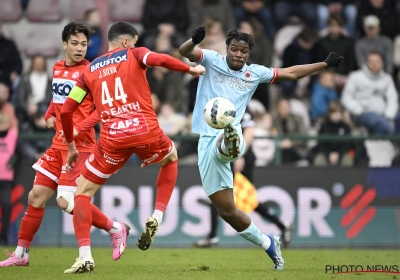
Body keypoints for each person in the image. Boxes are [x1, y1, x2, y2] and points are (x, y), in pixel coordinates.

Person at [179, 26, 342, 270]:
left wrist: (324, 65)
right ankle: (268, 243)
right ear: (227, 49)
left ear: (248, 54)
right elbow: (184, 52)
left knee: (229, 135)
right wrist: (193, 40)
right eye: (234, 49)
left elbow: (292, 73)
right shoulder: (212, 60)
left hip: (233, 136)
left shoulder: (254, 73)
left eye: (243, 51)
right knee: (228, 212)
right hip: (206, 140)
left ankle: (230, 137)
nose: (238, 54)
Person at [60, 21, 204, 273]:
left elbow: (68, 110)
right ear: (126, 42)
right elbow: (159, 59)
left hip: (111, 139)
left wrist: (71, 145)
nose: (136, 45)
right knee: (170, 159)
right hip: (144, 131)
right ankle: (157, 215)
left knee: (81, 195)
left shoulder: (89, 70)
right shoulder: (134, 54)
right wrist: (189, 69)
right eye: (135, 41)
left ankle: (85, 256)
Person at [0, 22, 129, 267]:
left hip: (80, 148)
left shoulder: (92, 72)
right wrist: (49, 113)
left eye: (84, 44)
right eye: (75, 43)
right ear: (64, 44)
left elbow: (101, 109)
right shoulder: (58, 67)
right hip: (58, 145)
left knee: (67, 202)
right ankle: (21, 254)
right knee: (36, 197)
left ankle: (114, 228)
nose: (80, 48)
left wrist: (80, 127)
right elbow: (58, 98)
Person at [194, 108, 294, 248]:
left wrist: (238, 156)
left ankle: (212, 237)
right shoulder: (222, 105)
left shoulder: (240, 105)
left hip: (241, 159)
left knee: (243, 198)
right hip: (226, 156)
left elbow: (249, 132)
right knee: (221, 196)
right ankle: (282, 225)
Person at [341, 52, 399, 135]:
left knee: (397, 120)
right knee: (380, 123)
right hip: (363, 113)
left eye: (377, 62)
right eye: (371, 62)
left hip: (384, 114)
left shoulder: (387, 78)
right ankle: (379, 146)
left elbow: (392, 98)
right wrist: (358, 110)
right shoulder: (355, 76)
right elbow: (346, 97)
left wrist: (389, 115)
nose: (374, 64)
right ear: (366, 62)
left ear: (382, 63)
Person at [0, 113, 18, 245]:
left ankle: (3, 236)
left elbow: (19, 152)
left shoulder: (13, 135)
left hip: (6, 178)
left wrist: (13, 160)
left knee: (6, 206)